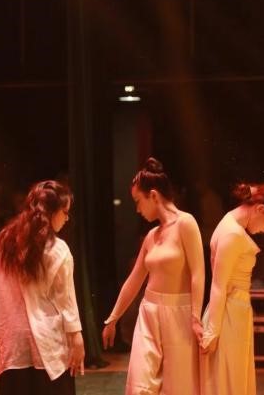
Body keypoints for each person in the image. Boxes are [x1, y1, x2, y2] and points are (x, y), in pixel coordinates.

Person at [102, 157, 205, 395]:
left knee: (178, 387)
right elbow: (134, 280)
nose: (137, 209)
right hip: (149, 311)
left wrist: (196, 318)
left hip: (179, 314)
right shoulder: (151, 236)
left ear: (154, 196)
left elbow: (198, 273)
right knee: (140, 383)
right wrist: (113, 318)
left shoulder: (186, 223)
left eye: (138, 201)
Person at [0, 180, 85, 395]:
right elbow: (66, 300)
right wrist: (76, 337)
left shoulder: (4, 241)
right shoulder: (58, 249)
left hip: (14, 342)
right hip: (47, 341)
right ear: (52, 212)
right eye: (65, 212)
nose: (67, 218)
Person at [200, 182, 264, 395]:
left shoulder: (231, 225)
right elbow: (219, 285)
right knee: (229, 383)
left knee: (233, 380)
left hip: (234, 311)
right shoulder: (232, 233)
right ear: (260, 209)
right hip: (229, 314)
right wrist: (212, 331)